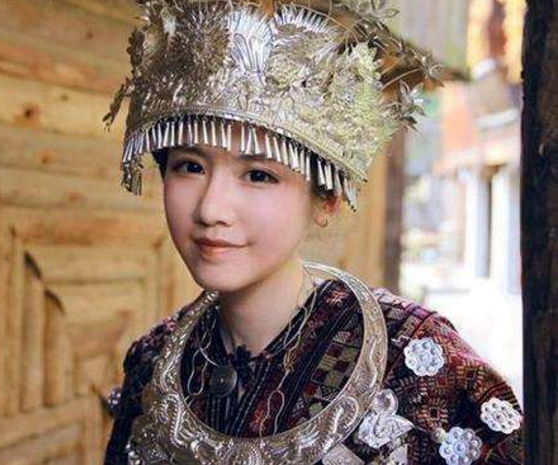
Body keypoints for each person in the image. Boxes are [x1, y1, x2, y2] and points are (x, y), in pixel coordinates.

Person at [102, 0, 523, 463]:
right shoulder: (153, 360)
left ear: (326, 200)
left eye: (258, 175)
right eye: (189, 166)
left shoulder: (416, 363)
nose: (210, 208)